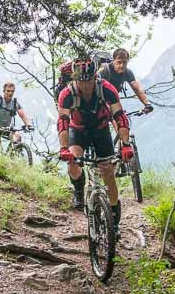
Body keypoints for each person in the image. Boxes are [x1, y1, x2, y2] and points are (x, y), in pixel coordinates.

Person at [57, 57, 134, 225]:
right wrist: (64, 148)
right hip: (78, 130)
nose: (85, 85)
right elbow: (63, 121)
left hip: (100, 129)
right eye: (81, 81)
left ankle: (113, 214)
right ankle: (79, 189)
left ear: (95, 77)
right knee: (73, 163)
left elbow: (120, 117)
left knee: (107, 170)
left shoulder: (106, 88)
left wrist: (125, 144)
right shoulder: (67, 94)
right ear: (75, 79)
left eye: (89, 80)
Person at [97, 48, 154, 114]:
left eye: (124, 62)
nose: (122, 65)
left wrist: (147, 104)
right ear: (113, 60)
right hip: (96, 102)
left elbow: (137, 89)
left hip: (111, 103)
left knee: (122, 121)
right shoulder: (104, 69)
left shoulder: (127, 72)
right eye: (119, 62)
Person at [0, 82, 32, 149]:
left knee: (17, 136)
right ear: (4, 91)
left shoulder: (14, 103)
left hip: (8, 128)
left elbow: (22, 114)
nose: (10, 93)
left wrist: (28, 125)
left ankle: (14, 152)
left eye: (12, 91)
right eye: (8, 91)